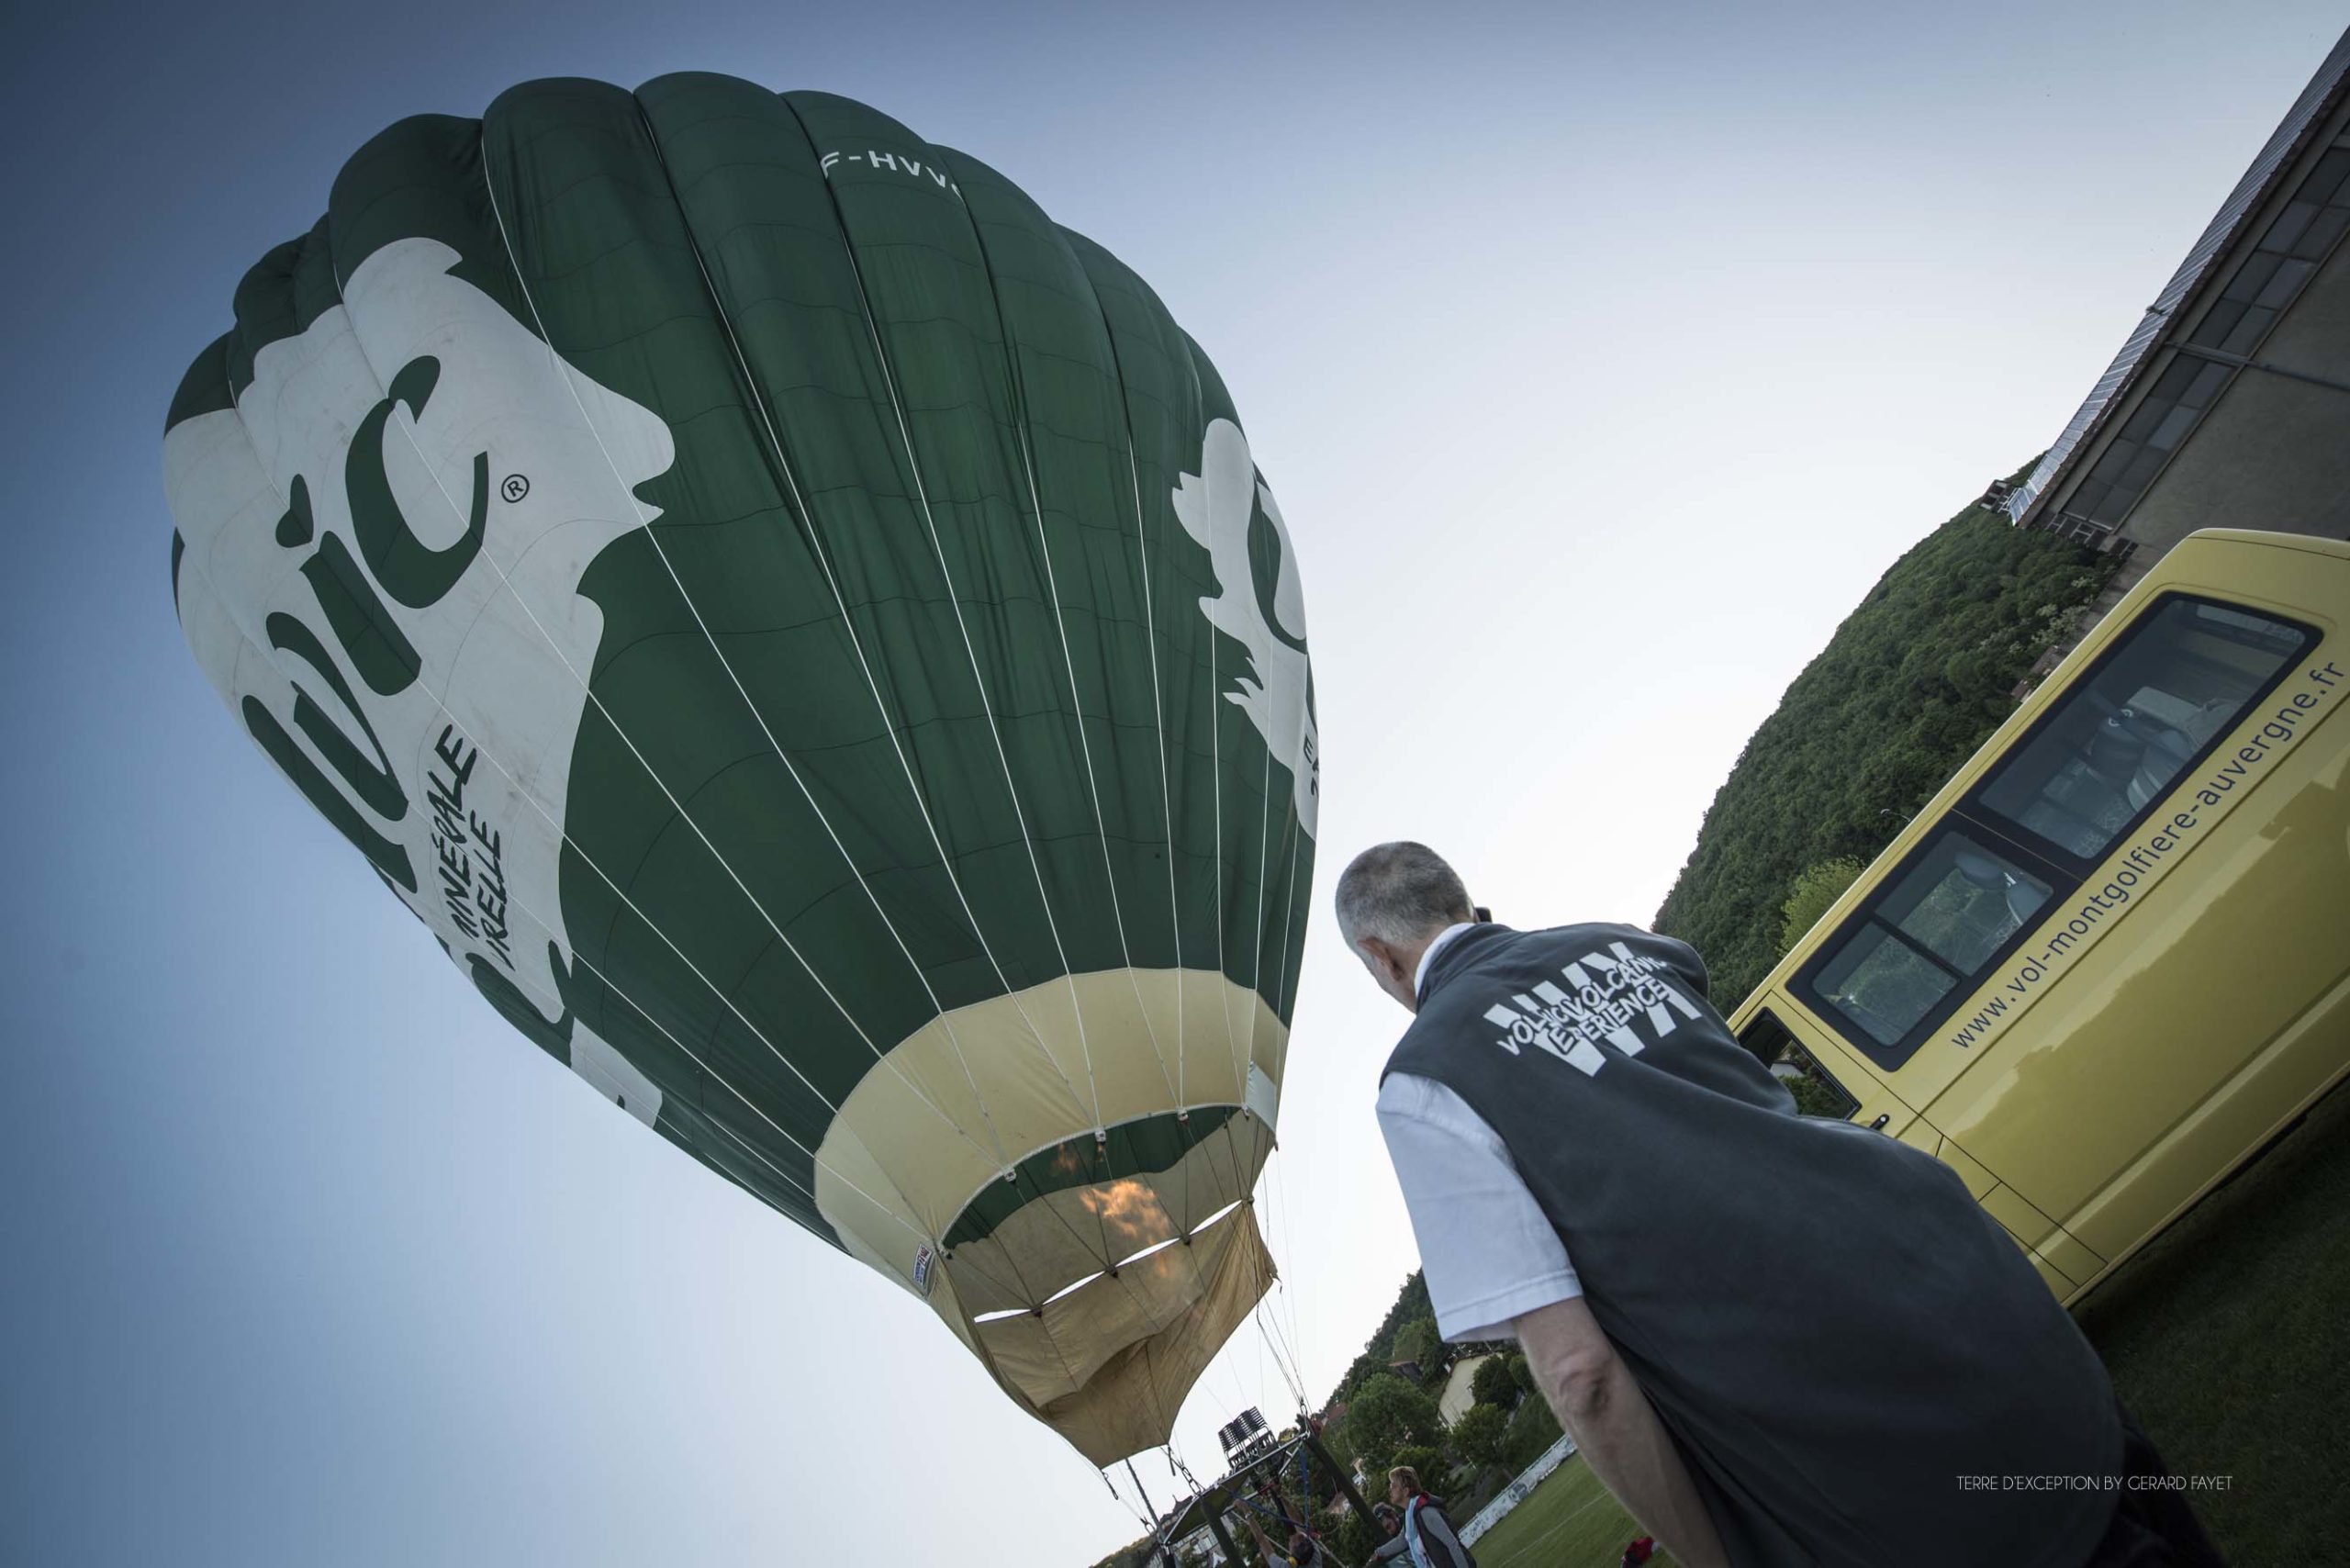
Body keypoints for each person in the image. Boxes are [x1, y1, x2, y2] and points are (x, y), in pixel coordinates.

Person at [1336, 842, 2227, 1568]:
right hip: (1969, 1283)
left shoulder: (1425, 1078)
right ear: (1459, 900)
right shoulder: (1621, 944)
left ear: (1380, 955)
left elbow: (1580, 1376)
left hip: (1866, 1420)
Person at [1386, 1465, 1472, 1568]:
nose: (1390, 1490)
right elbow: (1401, 1541)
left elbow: (1452, 1544)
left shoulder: (1425, 1512)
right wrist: (1378, 1553)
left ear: (1406, 1491)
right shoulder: (1409, 1517)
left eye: (1394, 1486)